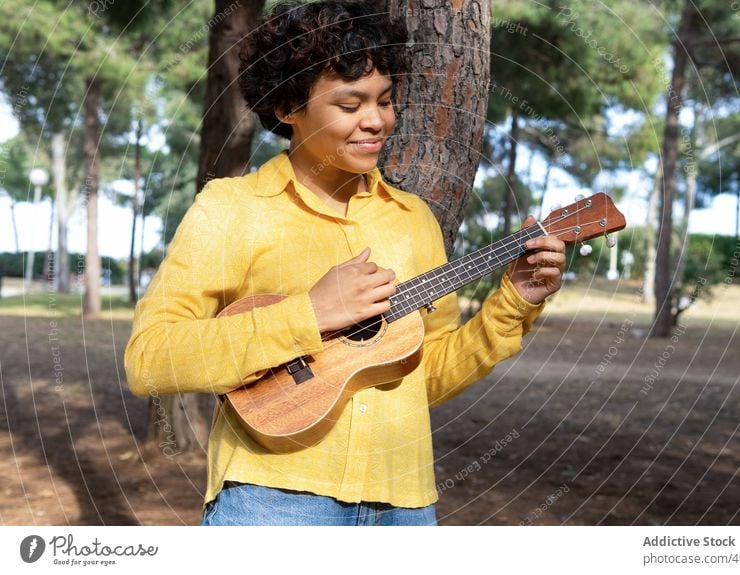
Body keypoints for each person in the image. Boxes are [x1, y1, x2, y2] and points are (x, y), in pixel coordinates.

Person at [124, 0, 566, 526]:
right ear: (289, 107)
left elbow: (424, 376)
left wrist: (514, 302)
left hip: (404, 504)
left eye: (385, 100)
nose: (376, 121)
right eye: (350, 104)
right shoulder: (232, 208)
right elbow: (149, 358)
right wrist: (306, 316)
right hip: (273, 502)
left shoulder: (413, 220)